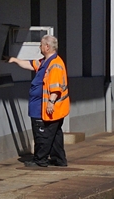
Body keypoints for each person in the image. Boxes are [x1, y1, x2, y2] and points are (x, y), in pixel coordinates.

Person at [7, 34, 70, 167]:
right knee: (55, 135)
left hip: (46, 108)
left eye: (41, 45)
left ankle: (40, 159)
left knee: (43, 134)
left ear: (47, 47)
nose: (39, 47)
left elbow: (56, 87)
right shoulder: (45, 62)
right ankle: (59, 159)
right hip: (47, 107)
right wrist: (15, 60)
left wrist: (51, 102)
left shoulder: (55, 64)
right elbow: (31, 64)